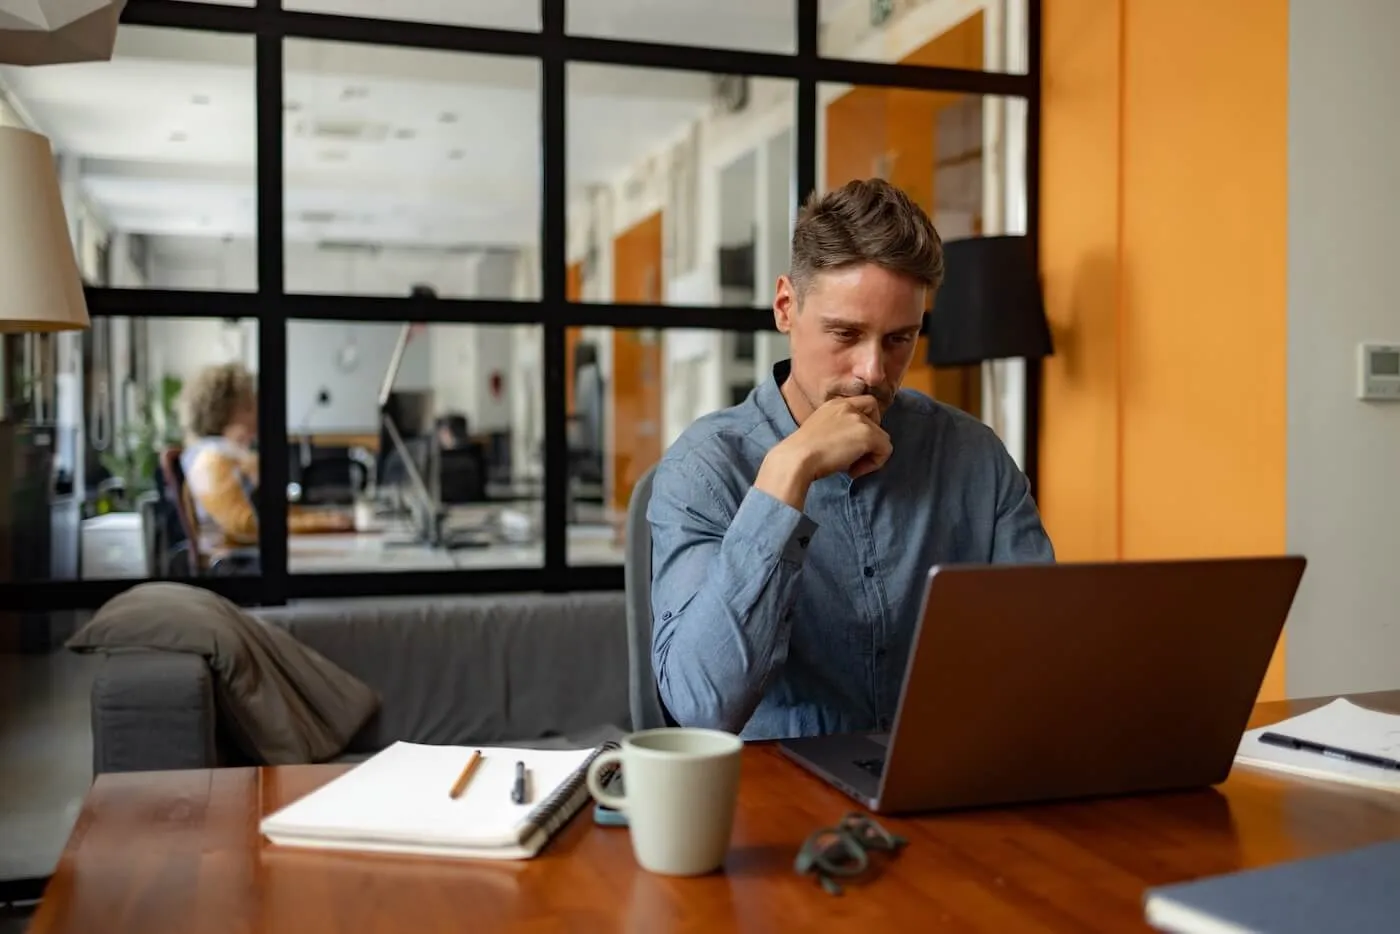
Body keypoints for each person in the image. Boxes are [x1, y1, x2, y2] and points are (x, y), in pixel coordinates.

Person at [647, 178, 1055, 741]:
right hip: (778, 811)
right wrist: (785, 477)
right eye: (845, 333)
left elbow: (1045, 666)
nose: (872, 372)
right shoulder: (703, 470)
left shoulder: (973, 457)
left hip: (949, 793)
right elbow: (701, 708)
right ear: (786, 306)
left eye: (898, 340)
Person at [180, 362, 262, 551]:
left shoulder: (205, 452)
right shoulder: (213, 456)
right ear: (223, 411)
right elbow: (243, 523)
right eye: (248, 406)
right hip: (234, 558)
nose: (256, 413)